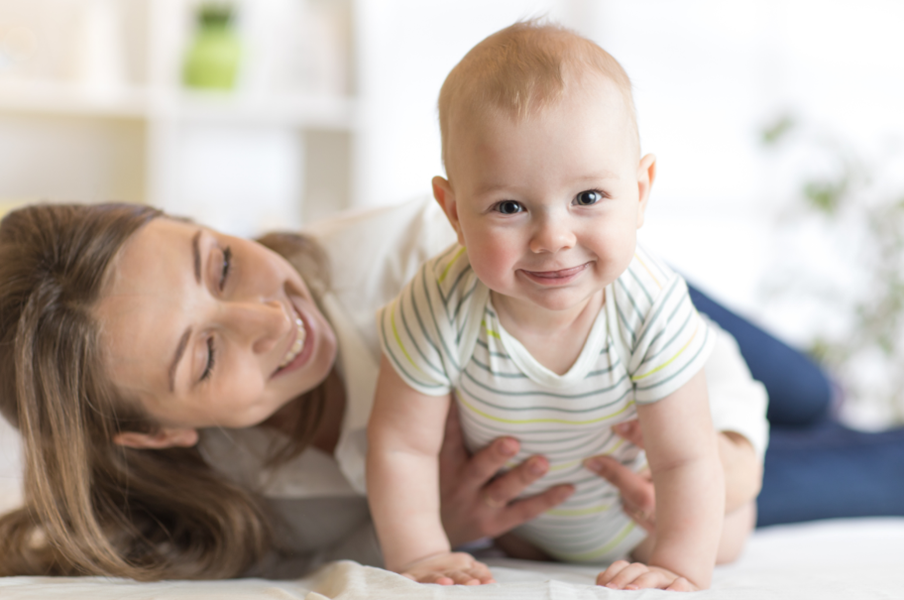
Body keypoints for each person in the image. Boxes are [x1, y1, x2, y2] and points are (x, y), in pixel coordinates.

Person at [0, 194, 766, 582]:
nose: (270, 316)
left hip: (621, 310)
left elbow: (707, 361)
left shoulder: (432, 259)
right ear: (155, 433)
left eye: (222, 263)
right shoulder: (218, 490)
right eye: (203, 356)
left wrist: (721, 463)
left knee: (800, 403)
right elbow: (330, 554)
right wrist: (438, 526)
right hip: (587, 480)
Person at [368, 21, 755, 591]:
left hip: (641, 511)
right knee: (515, 544)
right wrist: (422, 553)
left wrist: (676, 567)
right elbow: (401, 446)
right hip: (528, 526)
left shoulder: (651, 304)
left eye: (588, 198)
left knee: (722, 527)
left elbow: (685, 461)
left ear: (641, 191)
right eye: (508, 206)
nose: (553, 237)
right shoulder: (436, 305)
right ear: (453, 212)